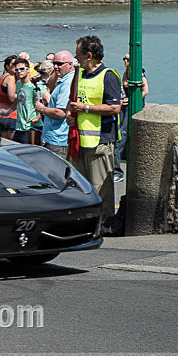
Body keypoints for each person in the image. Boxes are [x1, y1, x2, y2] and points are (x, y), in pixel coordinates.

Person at [66, 35, 122, 220]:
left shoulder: (109, 76)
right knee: (81, 187)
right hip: (79, 141)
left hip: (100, 141)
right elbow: (72, 100)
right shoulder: (79, 74)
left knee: (101, 189)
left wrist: (86, 108)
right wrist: (69, 114)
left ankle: (104, 224)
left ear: (89, 55)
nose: (76, 59)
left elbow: (115, 108)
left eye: (78, 55)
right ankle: (87, 222)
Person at [113, 53, 149, 182]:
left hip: (132, 109)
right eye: (124, 59)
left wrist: (133, 100)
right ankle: (117, 170)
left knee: (123, 137)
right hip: (124, 108)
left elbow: (145, 91)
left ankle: (118, 173)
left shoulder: (139, 73)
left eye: (127, 59)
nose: (125, 61)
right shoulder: (125, 73)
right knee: (119, 138)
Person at [35, 51, 75, 159]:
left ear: (70, 64)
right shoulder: (64, 79)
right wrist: (55, 71)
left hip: (58, 140)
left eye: (60, 64)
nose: (56, 67)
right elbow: (51, 85)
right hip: (54, 137)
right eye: (54, 63)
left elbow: (60, 113)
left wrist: (42, 109)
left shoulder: (67, 83)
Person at [9, 57, 43, 144]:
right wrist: (8, 111)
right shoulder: (18, 83)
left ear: (28, 70)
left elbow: (46, 101)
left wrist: (38, 117)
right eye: (17, 70)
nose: (19, 71)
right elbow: (19, 100)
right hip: (19, 125)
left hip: (31, 126)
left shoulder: (34, 85)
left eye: (22, 69)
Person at [0, 55, 18, 139]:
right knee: (12, 147)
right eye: (13, 64)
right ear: (7, 66)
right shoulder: (10, 78)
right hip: (10, 116)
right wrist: (23, 94)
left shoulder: (2, 77)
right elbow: (12, 98)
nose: (16, 67)